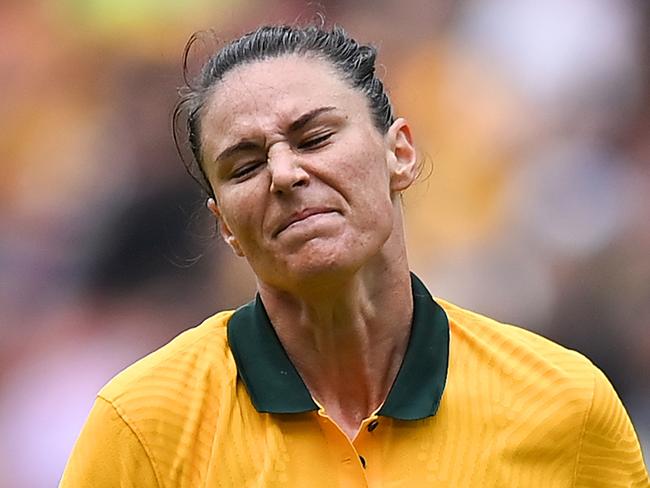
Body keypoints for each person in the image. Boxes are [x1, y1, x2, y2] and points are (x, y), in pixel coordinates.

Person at [60, 24, 648, 487]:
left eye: (315, 138)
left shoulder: (566, 406)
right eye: (244, 166)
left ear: (400, 153)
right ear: (225, 227)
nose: (285, 174)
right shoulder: (142, 424)